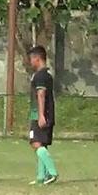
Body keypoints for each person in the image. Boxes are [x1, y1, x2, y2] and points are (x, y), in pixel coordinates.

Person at [27, 46, 59, 185]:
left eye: (31, 59)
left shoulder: (40, 75)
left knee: (35, 143)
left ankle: (52, 172)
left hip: (40, 114)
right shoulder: (48, 74)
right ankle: (41, 176)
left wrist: (40, 115)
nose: (30, 62)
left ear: (37, 58)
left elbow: (41, 94)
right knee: (42, 144)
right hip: (48, 113)